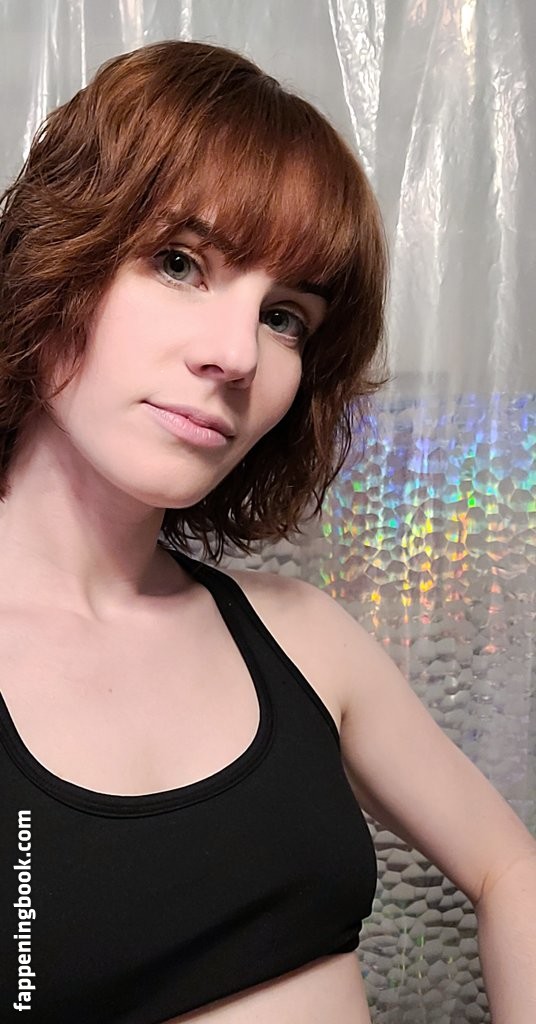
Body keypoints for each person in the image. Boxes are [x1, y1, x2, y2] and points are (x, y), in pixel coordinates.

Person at [0, 38, 534, 1024]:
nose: (237, 355)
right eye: (179, 263)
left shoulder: (300, 636)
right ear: (54, 256)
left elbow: (511, 867)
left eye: (285, 317)